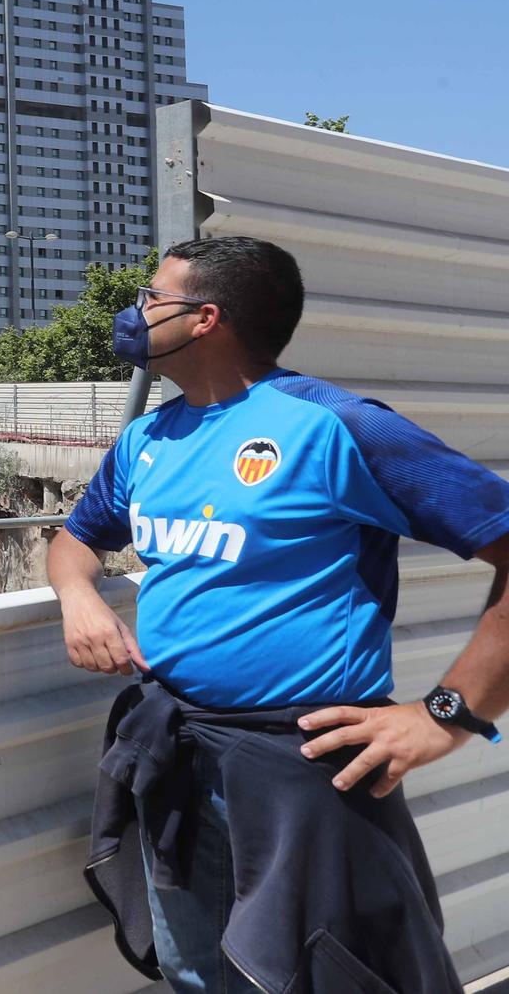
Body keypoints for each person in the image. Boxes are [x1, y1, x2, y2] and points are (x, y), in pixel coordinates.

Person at [47, 236, 509, 994]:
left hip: (303, 771)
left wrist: (445, 715)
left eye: (151, 299)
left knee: (333, 975)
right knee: (196, 969)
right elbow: (74, 541)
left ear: (206, 318)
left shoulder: (335, 426)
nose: (135, 314)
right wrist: (78, 595)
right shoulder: (148, 438)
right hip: (179, 755)